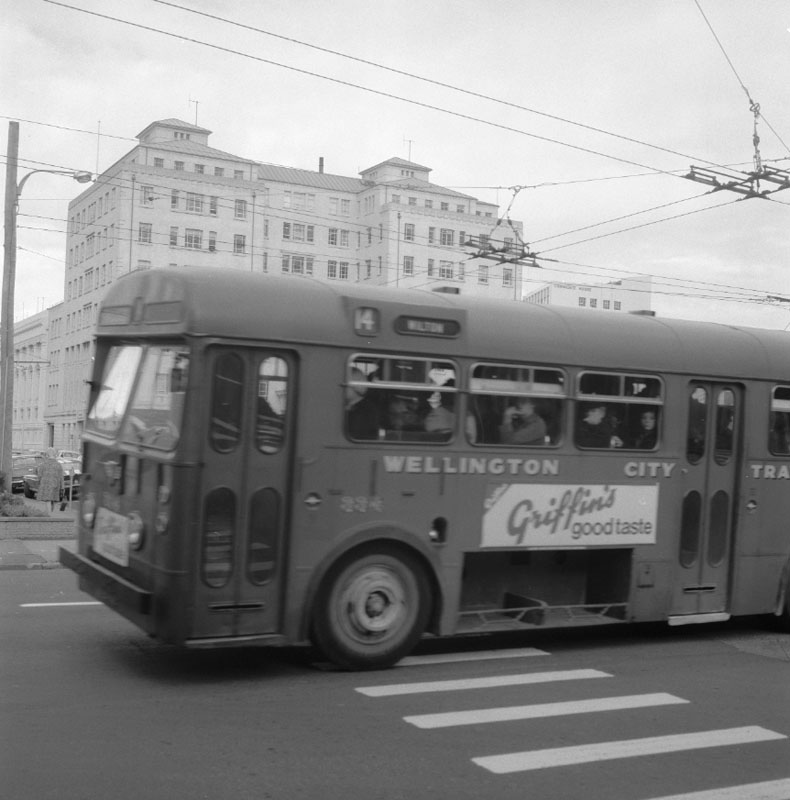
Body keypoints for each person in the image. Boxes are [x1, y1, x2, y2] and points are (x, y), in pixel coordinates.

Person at [346, 369, 381, 440]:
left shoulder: (366, 410)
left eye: (346, 385)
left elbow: (354, 436)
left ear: (356, 387)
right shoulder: (353, 406)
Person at [37, 448, 64, 512]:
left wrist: (40, 483)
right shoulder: (58, 465)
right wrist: (62, 487)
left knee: (48, 500)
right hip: (55, 484)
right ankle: (51, 513)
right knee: (52, 500)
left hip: (45, 484)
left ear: (47, 455)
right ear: (54, 455)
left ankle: (49, 516)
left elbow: (39, 475)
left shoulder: (43, 465)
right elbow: (61, 477)